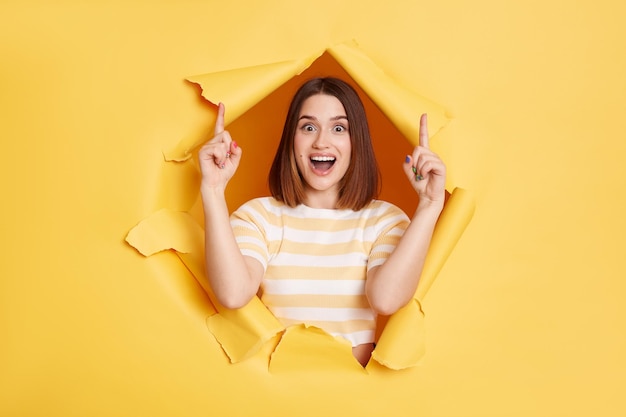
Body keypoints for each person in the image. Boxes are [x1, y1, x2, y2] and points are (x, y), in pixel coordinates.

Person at [199, 77, 446, 366]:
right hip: (276, 395)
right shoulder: (258, 216)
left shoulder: (385, 220)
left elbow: (386, 299)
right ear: (293, 139)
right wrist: (213, 190)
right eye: (308, 127)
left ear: (356, 142)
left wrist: (430, 205)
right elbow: (232, 293)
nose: (321, 142)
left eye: (338, 128)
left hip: (357, 397)